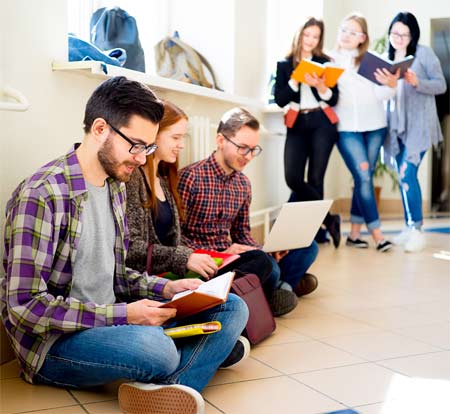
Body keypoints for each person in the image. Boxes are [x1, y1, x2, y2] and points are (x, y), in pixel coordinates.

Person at [0, 77, 249, 414]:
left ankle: (164, 388)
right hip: (55, 345)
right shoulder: (42, 195)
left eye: (148, 147)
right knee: (155, 348)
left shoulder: (115, 185)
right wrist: (125, 314)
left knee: (232, 307)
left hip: (113, 319)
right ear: (100, 129)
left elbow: (117, 276)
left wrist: (167, 287)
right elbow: (25, 306)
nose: (143, 158)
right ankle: (192, 361)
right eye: (136, 145)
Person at [125, 101, 294, 318]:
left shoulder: (165, 182)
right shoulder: (163, 179)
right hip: (183, 266)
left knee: (275, 258)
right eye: (176, 137)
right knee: (265, 267)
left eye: (182, 138)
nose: (181, 145)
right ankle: (263, 299)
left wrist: (258, 248)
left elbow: (240, 234)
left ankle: (256, 299)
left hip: (199, 261)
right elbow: (140, 248)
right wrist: (193, 256)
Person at [178, 107, 319, 306]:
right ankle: (284, 286)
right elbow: (175, 238)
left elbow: (242, 233)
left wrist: (262, 249)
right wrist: (221, 253)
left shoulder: (243, 183)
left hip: (235, 257)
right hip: (207, 262)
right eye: (243, 148)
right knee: (268, 266)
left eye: (253, 150)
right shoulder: (191, 177)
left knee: (307, 246)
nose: (249, 156)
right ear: (221, 141)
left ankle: (281, 287)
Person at [330, 13, 398, 252]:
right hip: (347, 129)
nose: (347, 35)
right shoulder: (330, 61)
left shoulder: (371, 60)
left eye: (353, 31)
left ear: (363, 38)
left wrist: (391, 86)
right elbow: (328, 96)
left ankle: (355, 234)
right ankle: (378, 235)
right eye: (344, 29)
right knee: (364, 175)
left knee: (363, 180)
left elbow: (379, 95)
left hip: (375, 127)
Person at [274, 17, 341, 248]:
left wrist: (320, 86)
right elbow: (280, 99)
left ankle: (312, 235)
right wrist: (295, 80)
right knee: (292, 177)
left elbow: (334, 98)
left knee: (315, 179)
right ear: (299, 34)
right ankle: (330, 220)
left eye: (315, 36)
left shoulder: (325, 62)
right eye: (307, 35)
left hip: (322, 122)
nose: (310, 40)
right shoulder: (284, 65)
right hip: (298, 123)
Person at [384, 12, 447, 252]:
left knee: (407, 172)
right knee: (403, 178)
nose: (398, 38)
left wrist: (417, 82)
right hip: (396, 127)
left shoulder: (424, 53)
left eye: (404, 33)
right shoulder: (386, 58)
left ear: (412, 34)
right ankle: (409, 228)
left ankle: (417, 228)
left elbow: (440, 84)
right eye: (394, 33)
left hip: (419, 125)